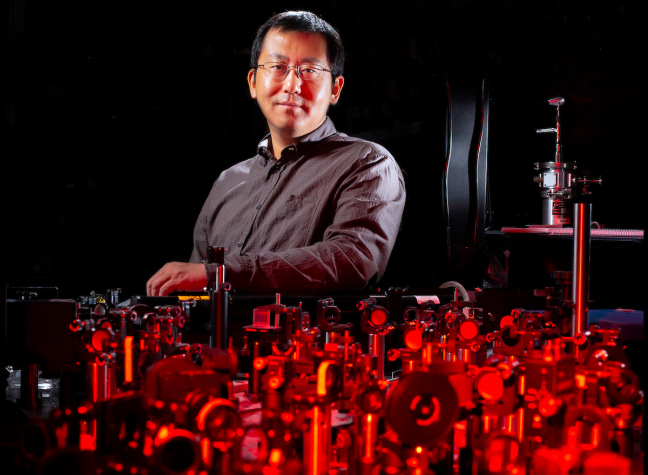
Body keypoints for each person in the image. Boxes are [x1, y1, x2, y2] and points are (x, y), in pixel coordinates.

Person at [147, 11, 405, 296]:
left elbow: (352, 260)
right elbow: (194, 288)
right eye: (277, 66)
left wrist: (221, 274)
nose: (292, 85)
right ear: (253, 82)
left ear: (335, 89)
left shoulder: (367, 164)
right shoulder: (227, 182)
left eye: (309, 70)